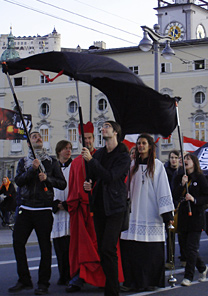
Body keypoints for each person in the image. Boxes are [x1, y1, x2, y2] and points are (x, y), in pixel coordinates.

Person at [9, 131, 67, 295]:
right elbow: (18, 181)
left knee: (45, 248)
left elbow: (62, 183)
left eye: (40, 137)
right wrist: (32, 170)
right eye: (34, 137)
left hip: (43, 209)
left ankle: (43, 283)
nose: (38, 138)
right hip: (25, 208)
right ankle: (24, 279)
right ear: (28, 143)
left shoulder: (51, 162)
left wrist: (47, 178)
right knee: (18, 243)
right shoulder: (23, 162)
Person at [121, 134, 175, 292]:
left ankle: (150, 281)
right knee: (133, 250)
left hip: (152, 212)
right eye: (138, 143)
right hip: (134, 212)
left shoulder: (157, 166)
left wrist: (167, 214)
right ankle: (132, 281)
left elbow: (163, 189)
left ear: (150, 146)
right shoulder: (132, 165)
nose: (140, 146)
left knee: (150, 251)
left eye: (144, 143)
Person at [83, 121, 130, 296]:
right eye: (102, 127)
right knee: (103, 250)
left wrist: (91, 161)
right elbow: (94, 177)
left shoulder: (123, 156)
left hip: (116, 207)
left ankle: (113, 291)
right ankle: (111, 287)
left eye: (107, 126)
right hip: (100, 206)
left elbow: (110, 176)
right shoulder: (101, 153)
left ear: (116, 132)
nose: (103, 128)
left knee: (108, 248)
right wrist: (88, 184)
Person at [173, 153, 208, 287]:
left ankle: (188, 276)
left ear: (194, 163)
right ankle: (202, 267)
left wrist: (194, 200)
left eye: (188, 159)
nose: (185, 161)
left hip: (196, 217)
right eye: (183, 159)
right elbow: (174, 194)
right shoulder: (180, 177)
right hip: (183, 217)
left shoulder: (200, 178)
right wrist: (181, 184)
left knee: (191, 248)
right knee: (185, 248)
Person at [51, 140, 72, 286]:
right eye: (65, 148)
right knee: (59, 247)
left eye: (70, 148)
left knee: (70, 247)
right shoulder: (53, 167)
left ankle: (71, 274)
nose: (68, 151)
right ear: (59, 151)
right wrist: (53, 203)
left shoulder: (75, 166)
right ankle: (62, 274)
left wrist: (68, 204)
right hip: (56, 212)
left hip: (70, 211)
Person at [164, 149, 180, 268]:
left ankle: (184, 257)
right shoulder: (165, 171)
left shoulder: (182, 172)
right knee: (170, 233)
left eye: (175, 157)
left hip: (180, 205)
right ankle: (170, 259)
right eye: (172, 157)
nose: (173, 160)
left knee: (183, 234)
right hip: (169, 205)